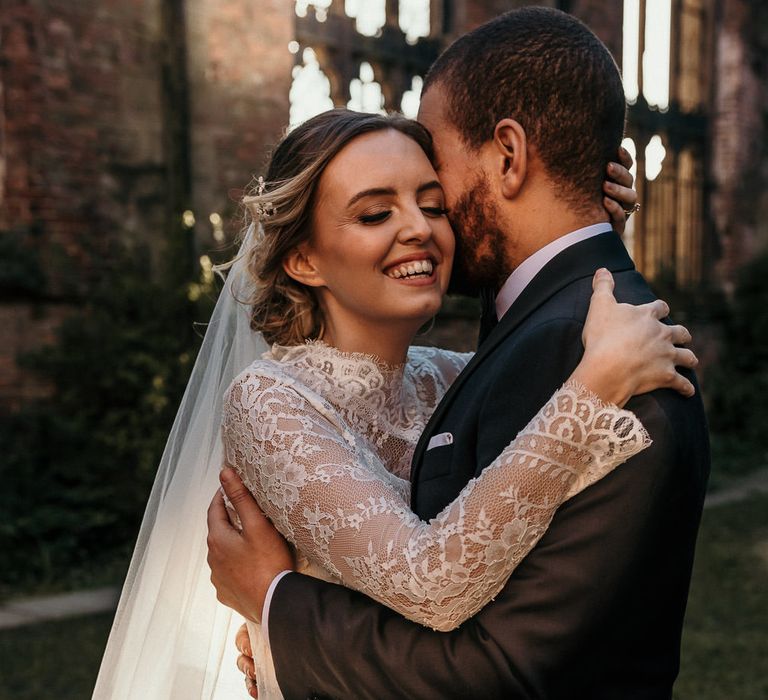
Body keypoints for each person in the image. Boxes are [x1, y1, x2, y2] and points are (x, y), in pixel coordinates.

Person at [207, 8, 710, 700]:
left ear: (508, 156)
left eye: (435, 200)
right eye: (375, 212)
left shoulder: (456, 372)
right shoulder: (273, 400)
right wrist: (586, 369)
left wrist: (273, 602)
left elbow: (512, 348)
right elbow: (435, 578)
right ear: (303, 257)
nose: (420, 229)